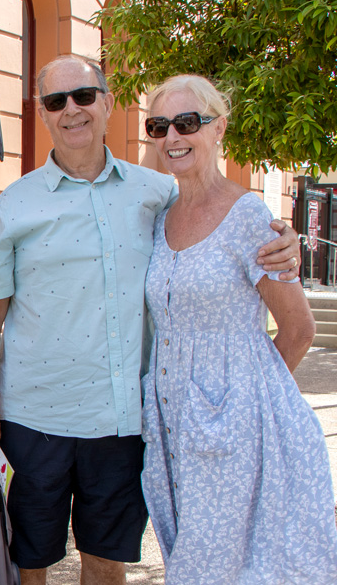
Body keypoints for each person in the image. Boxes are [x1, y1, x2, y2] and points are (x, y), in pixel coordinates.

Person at [0, 55, 302, 585]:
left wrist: (282, 242)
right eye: (56, 101)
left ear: (108, 101)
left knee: (106, 560)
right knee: (29, 561)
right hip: (34, 417)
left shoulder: (158, 193)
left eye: (84, 96)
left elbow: (214, 223)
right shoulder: (15, 203)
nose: (72, 110)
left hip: (123, 419)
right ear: (43, 114)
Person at [139, 75, 337, 582]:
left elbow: (299, 329)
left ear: (218, 127)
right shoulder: (161, 213)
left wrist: (247, 402)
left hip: (234, 426)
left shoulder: (248, 215)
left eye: (187, 123)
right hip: (170, 423)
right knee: (188, 557)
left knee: (219, 570)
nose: (172, 137)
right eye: (159, 126)